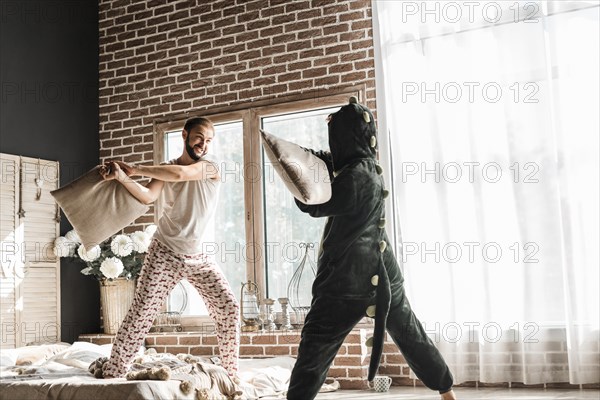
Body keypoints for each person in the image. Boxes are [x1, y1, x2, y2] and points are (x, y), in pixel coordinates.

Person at [285, 98, 456, 400]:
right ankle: (446, 390)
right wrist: (305, 155)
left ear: (343, 137)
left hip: (346, 281)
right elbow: (330, 160)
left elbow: (315, 203)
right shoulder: (366, 167)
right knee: (410, 335)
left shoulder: (354, 177)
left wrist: (294, 180)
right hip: (383, 271)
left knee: (316, 344)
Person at [96, 117, 240, 379]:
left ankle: (230, 374)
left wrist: (135, 168)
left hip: (200, 256)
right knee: (142, 311)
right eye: (198, 137)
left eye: (208, 141)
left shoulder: (211, 167)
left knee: (228, 307)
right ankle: (114, 370)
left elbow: (182, 174)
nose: (203, 145)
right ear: (184, 134)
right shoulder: (165, 167)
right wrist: (121, 177)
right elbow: (148, 196)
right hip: (165, 251)